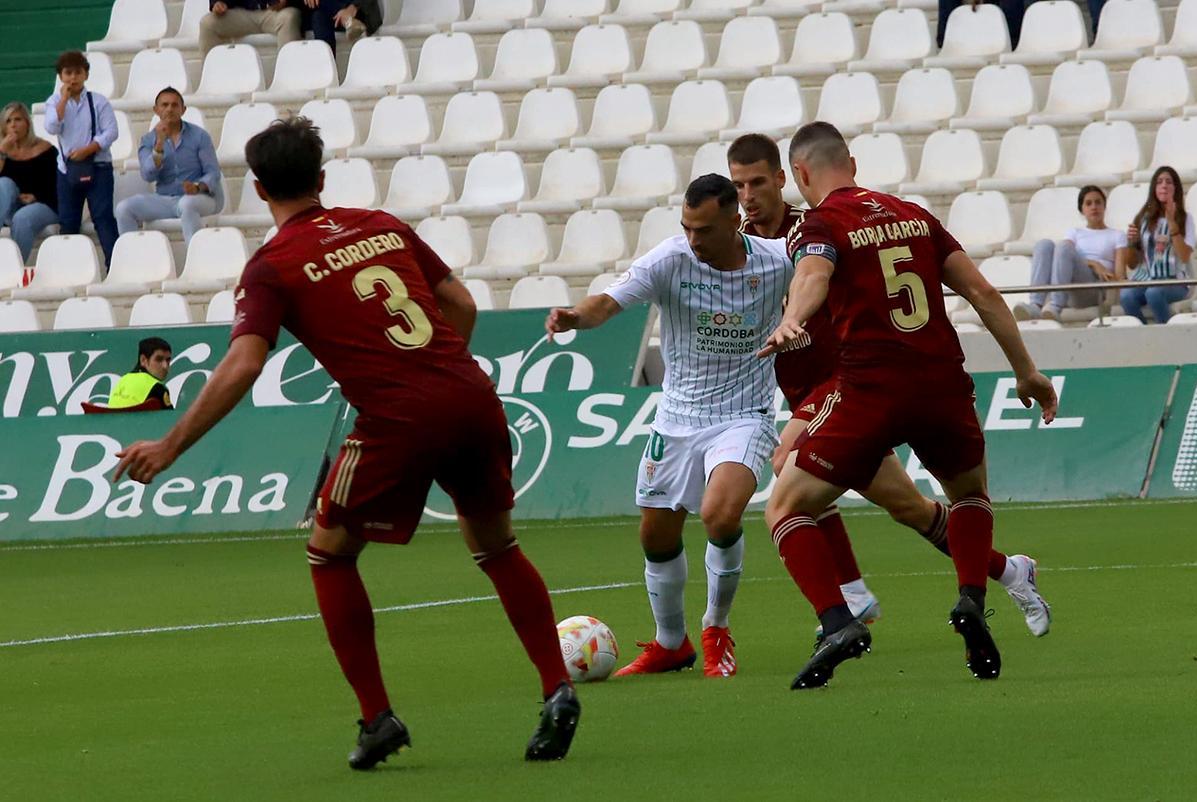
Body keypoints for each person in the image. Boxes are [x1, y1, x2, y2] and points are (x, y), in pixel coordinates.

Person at [112, 117, 581, 769]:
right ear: (321, 178)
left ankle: (376, 717)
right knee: (496, 544)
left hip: (398, 417)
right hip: (470, 394)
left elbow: (244, 365)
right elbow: (462, 305)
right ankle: (558, 687)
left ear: (258, 187)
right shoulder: (382, 225)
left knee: (329, 553)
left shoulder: (271, 267)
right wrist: (435, 382)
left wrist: (169, 446)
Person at [759, 122, 1058, 689]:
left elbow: (814, 272)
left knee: (787, 507)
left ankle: (836, 620)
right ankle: (971, 597)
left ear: (800, 174)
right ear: (852, 160)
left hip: (869, 391)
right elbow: (984, 294)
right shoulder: (916, 217)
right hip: (942, 385)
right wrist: (1027, 371)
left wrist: (792, 316)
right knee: (968, 495)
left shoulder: (819, 223)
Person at [545, 174, 793, 679]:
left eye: (703, 229)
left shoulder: (776, 261)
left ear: (732, 220)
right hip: (677, 418)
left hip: (744, 415)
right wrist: (575, 316)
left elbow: (818, 283)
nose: (693, 239)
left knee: (720, 517)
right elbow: (608, 302)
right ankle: (671, 643)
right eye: (687, 227)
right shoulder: (670, 260)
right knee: (656, 537)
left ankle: (716, 628)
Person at [116, 88, 223, 246]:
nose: (169, 109)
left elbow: (213, 172)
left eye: (174, 105)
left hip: (202, 197)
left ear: (183, 109)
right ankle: (134, 258)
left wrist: (197, 186)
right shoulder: (148, 140)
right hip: (165, 199)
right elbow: (147, 175)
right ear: (156, 110)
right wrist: (159, 145)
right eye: (164, 105)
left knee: (186, 204)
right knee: (123, 208)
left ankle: (197, 257)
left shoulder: (199, 136)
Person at [44, 50, 118, 270]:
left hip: (99, 166)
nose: (73, 78)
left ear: (86, 74)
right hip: (67, 169)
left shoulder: (98, 101)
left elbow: (111, 132)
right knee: (68, 220)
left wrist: (89, 149)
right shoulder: (54, 101)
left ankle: (114, 264)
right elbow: (51, 126)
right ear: (61, 76)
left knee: (103, 217)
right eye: (68, 73)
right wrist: (64, 100)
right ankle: (70, 269)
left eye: (78, 72)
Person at [1014, 185, 1126, 322]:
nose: (1094, 207)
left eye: (1098, 202)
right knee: (1044, 245)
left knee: (1064, 247)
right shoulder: (1075, 233)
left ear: (1104, 206)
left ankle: (1055, 306)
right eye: (1088, 203)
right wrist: (1094, 264)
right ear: (1082, 210)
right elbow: (1064, 255)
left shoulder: (1117, 235)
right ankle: (1036, 304)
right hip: (1072, 289)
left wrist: (1103, 271)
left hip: (1096, 289)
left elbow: (1119, 277)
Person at [1119, 166, 1195, 324]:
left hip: (1175, 281)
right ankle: (1144, 335)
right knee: (1126, 296)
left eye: (1169, 182)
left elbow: (1185, 256)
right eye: (1159, 182)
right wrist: (1131, 243)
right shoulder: (1142, 218)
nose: (1164, 185)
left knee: (1154, 293)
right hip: (1146, 278)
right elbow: (1132, 264)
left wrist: (1172, 223)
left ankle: (1167, 335)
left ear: (1176, 188)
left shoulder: (1186, 218)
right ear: (1154, 188)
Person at [0, 101, 59, 263]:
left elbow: (58, 185)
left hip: (45, 203)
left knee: (23, 218)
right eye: (8, 121)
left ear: (27, 123)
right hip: (13, 206)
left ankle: (13, 269)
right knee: (3, 184)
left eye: (18, 120)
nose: (13, 125)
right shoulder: (2, 151)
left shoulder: (45, 150)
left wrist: (36, 197)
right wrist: (2, 152)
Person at [199, 0, 302, 56]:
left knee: (289, 17)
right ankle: (214, 78)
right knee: (207, 24)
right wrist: (217, 3)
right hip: (243, 12)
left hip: (275, 11)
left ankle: (289, 77)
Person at [108, 337, 174, 410]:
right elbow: (173, 420)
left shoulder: (122, 380)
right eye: (159, 359)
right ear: (143, 360)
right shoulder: (157, 388)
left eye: (168, 360)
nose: (165, 366)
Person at [301, 0, 381, 55]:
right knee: (318, 17)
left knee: (318, 17)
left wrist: (351, 9)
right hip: (324, 12)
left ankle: (326, 75)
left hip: (359, 11)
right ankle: (328, 75)